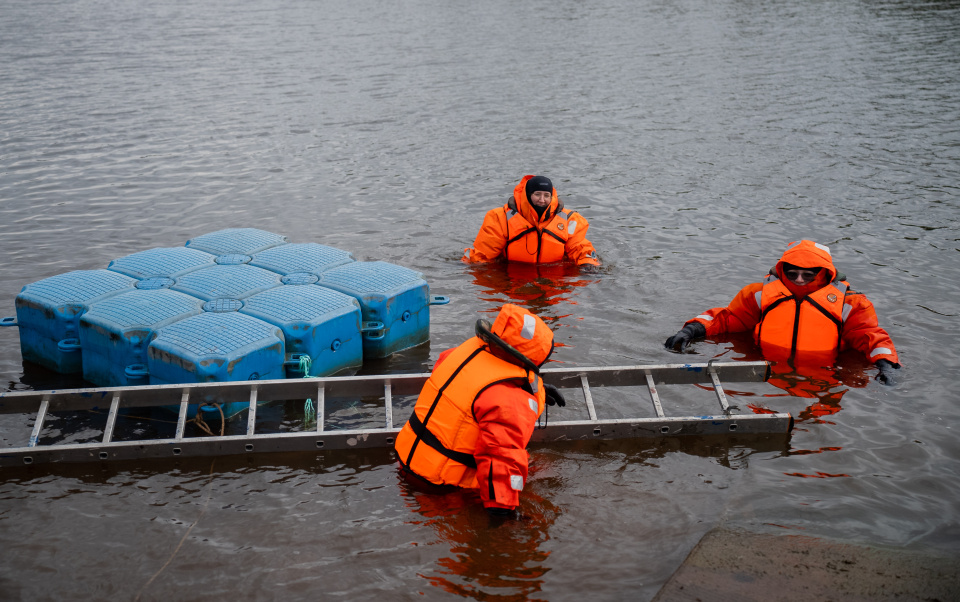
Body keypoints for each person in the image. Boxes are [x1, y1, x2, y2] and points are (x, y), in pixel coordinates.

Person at [394, 303, 566, 516]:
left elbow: (470, 390)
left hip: (408, 463)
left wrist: (536, 389)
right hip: (442, 487)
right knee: (547, 471)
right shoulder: (507, 396)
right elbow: (502, 458)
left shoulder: (463, 352)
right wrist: (504, 514)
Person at [664, 240, 901, 385]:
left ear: (824, 273)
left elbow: (870, 336)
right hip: (766, 369)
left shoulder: (851, 304)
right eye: (792, 272)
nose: (799, 280)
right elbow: (729, 318)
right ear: (781, 269)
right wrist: (692, 329)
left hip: (823, 374)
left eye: (808, 274)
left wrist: (886, 365)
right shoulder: (759, 294)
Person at [462, 175, 601, 270]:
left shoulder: (570, 220)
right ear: (528, 195)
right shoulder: (500, 218)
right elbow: (484, 253)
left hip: (554, 278)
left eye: (546, 195)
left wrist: (589, 265)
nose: (542, 200)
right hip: (513, 275)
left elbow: (579, 247)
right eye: (537, 194)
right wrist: (465, 266)